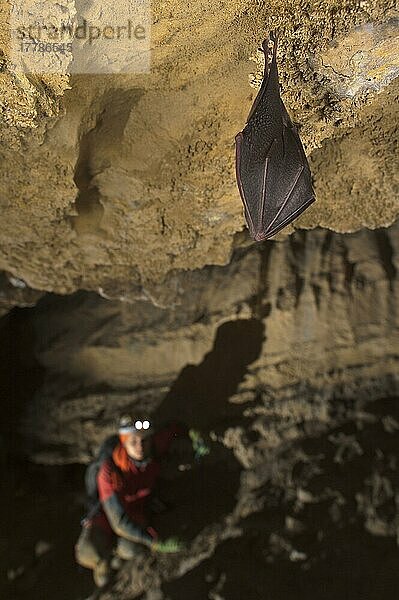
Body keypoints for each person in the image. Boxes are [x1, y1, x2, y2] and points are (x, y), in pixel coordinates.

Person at [75, 415, 194, 587]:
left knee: (130, 549)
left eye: (143, 441)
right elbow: (119, 522)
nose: (140, 447)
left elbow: (174, 429)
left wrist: (194, 435)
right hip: (108, 515)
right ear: (124, 443)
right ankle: (103, 565)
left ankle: (118, 553)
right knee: (87, 551)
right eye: (133, 442)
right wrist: (156, 543)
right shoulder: (109, 472)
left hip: (135, 509)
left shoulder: (152, 448)